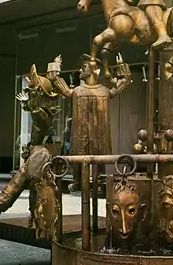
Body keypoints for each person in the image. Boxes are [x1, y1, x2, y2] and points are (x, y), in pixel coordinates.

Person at [47, 54, 132, 191]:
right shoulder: (77, 91)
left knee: (100, 160)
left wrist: (121, 66)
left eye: (84, 67)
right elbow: (54, 79)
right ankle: (78, 181)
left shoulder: (104, 91)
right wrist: (55, 66)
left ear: (94, 70)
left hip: (100, 137)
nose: (80, 70)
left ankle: (99, 181)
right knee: (79, 160)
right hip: (81, 137)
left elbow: (125, 81)